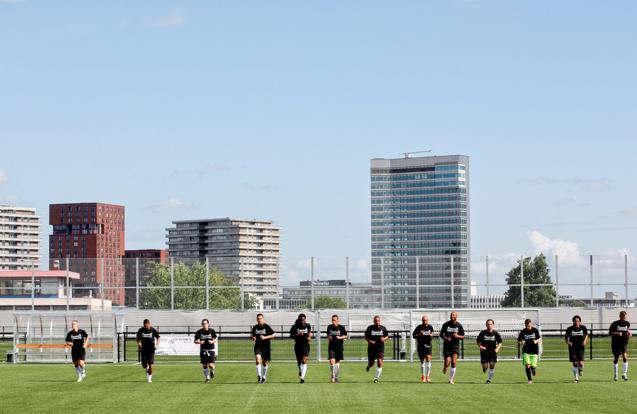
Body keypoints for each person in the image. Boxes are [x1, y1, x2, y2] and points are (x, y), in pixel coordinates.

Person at [439, 311, 465, 384]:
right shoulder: (446, 324)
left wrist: (457, 336)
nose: (452, 316)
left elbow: (463, 336)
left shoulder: (459, 326)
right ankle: (445, 367)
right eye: (451, 315)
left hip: (455, 346)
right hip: (447, 345)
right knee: (447, 362)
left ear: (456, 316)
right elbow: (441, 334)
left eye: (453, 315)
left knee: (454, 362)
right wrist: (446, 338)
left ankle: (451, 379)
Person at [476, 319, 502, 384]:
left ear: (493, 325)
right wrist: (480, 346)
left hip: (493, 353)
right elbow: (478, 341)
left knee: (492, 365)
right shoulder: (482, 333)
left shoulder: (496, 333)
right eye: (488, 324)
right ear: (486, 325)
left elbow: (500, 342)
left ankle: (488, 380)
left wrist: (497, 349)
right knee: (485, 367)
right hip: (484, 353)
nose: (489, 325)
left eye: (490, 324)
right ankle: (484, 369)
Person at [251, 313, 275, 383]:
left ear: (263, 319)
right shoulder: (255, 327)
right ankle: (259, 377)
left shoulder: (266, 326)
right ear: (256, 319)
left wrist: (265, 337)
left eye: (260, 318)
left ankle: (264, 377)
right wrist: (253, 338)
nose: (259, 320)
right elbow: (252, 336)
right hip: (258, 346)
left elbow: (273, 335)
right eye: (258, 318)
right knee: (258, 360)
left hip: (266, 347)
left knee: (264, 363)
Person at [365, 315, 389, 383]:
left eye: (378, 321)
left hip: (380, 348)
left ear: (380, 321)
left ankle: (376, 378)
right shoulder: (370, 328)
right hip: (371, 348)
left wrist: (384, 339)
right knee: (372, 363)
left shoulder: (383, 328)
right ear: (374, 321)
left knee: (379, 362)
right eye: (376, 321)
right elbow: (366, 337)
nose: (377, 322)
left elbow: (387, 336)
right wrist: (370, 341)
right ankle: (369, 366)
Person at [290, 313, 312, 383]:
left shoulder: (308, 325)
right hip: (298, 345)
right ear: (299, 320)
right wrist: (297, 334)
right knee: (299, 362)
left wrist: (309, 337)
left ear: (305, 319)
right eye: (301, 320)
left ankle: (302, 377)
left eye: (303, 320)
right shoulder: (295, 326)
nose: (302, 321)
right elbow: (291, 335)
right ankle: (300, 371)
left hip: (305, 345)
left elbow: (309, 333)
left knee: (304, 360)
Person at [609, 310, 631, 381]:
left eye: (624, 317)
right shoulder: (615, 323)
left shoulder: (627, 323)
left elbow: (627, 330)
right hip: (615, 343)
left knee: (625, 358)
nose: (623, 319)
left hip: (624, 342)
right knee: (616, 359)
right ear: (620, 316)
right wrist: (617, 333)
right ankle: (615, 374)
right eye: (622, 317)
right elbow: (610, 332)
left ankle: (624, 374)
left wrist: (629, 334)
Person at [565, 315, 588, 383]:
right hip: (572, 348)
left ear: (580, 322)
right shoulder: (569, 329)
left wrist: (584, 341)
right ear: (573, 322)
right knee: (575, 363)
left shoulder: (583, 328)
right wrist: (568, 342)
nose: (576, 322)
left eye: (577, 321)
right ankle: (576, 378)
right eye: (575, 321)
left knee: (580, 363)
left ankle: (580, 368)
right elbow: (566, 337)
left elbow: (586, 335)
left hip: (581, 347)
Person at [517, 319, 541, 384]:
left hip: (534, 351)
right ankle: (529, 379)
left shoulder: (535, 330)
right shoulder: (523, 331)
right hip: (526, 351)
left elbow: (539, 338)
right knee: (527, 365)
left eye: (529, 325)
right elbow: (519, 340)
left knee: (533, 366)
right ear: (525, 325)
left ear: (531, 324)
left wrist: (536, 341)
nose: (528, 327)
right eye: (527, 326)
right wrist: (521, 342)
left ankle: (533, 369)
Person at [136, 319, 160, 383]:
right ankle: (146, 367)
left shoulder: (153, 330)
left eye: (147, 326)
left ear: (149, 324)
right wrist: (139, 343)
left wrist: (156, 345)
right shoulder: (141, 330)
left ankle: (149, 377)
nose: (146, 327)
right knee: (144, 365)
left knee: (151, 363)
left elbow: (158, 337)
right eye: (145, 326)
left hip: (151, 349)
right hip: (144, 349)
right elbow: (138, 338)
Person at [194, 318, 218, 383]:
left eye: (206, 324)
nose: (205, 325)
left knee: (210, 365)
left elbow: (216, 338)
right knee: (204, 365)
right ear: (202, 324)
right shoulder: (199, 332)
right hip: (203, 350)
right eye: (203, 324)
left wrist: (212, 341)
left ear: (208, 324)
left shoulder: (212, 331)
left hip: (211, 350)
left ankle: (212, 371)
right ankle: (207, 378)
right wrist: (199, 342)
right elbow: (195, 341)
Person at [412, 315, 434, 383]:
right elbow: (413, 336)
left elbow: (432, 333)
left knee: (428, 358)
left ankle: (428, 376)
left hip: (428, 344)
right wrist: (419, 334)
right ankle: (423, 376)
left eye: (426, 320)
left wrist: (431, 335)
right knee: (422, 360)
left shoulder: (430, 327)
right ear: (422, 321)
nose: (425, 321)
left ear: (428, 320)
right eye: (423, 320)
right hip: (421, 345)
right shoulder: (419, 327)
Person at [326, 314, 348, 383]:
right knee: (332, 362)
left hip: (339, 347)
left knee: (337, 363)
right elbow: (328, 335)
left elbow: (346, 336)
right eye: (332, 320)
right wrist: (329, 337)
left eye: (335, 320)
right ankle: (333, 376)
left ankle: (336, 377)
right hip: (331, 347)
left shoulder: (341, 327)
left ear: (338, 320)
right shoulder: (329, 327)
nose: (333, 322)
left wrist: (340, 337)